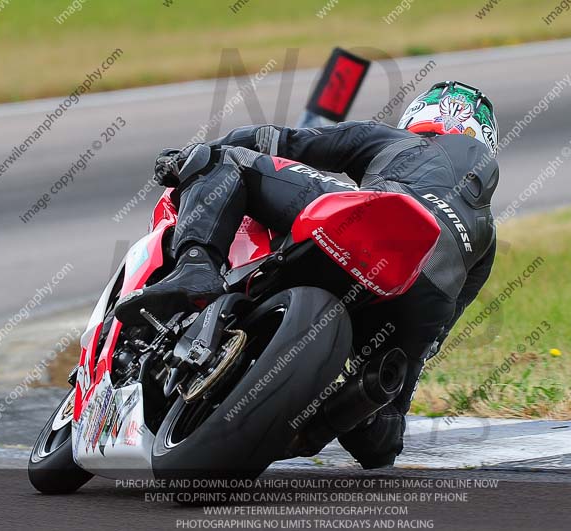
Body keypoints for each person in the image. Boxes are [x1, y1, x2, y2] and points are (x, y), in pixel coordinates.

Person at [115, 81, 500, 469]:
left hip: (372, 222)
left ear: (420, 117)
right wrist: (397, 386)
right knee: (379, 440)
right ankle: (324, 423)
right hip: (422, 298)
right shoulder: (488, 234)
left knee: (222, 161)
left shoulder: (398, 140)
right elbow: (437, 332)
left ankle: (196, 268)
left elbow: (279, 140)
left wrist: (192, 156)